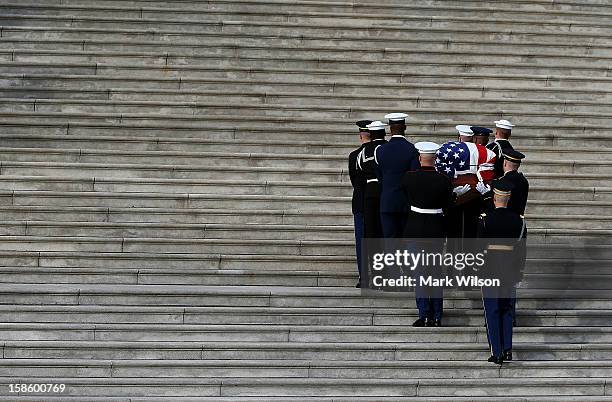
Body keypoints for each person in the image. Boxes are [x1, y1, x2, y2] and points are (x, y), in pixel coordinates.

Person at [401, 141, 454, 327]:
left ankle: (424, 314)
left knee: (420, 274)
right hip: (436, 230)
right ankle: (437, 315)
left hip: (415, 229)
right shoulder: (444, 179)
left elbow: (406, 199)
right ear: (435, 159)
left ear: (419, 158)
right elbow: (449, 206)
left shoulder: (408, 177)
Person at [477, 180, 527, 365]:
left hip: (490, 270)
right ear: (508, 199)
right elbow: (522, 250)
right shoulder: (519, 221)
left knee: (492, 310)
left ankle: (496, 352)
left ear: (494, 199)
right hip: (510, 271)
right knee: (507, 310)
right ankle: (507, 350)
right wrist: (519, 272)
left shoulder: (485, 220)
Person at [375, 113, 420, 238]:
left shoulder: (381, 150)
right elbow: (414, 176)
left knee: (390, 241)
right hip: (405, 202)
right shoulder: (411, 149)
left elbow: (379, 176)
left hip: (387, 201)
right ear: (404, 127)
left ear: (389, 129)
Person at [348, 120, 372, 286]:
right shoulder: (380, 152)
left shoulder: (353, 156)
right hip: (376, 200)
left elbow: (353, 180)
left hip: (360, 201)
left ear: (360, 135)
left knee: (361, 240)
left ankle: (364, 276)